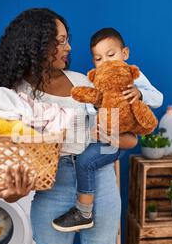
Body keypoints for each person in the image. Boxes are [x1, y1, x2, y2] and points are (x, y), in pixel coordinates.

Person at [0, 8, 151, 244]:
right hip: (53, 188)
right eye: (60, 41)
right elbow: (9, 177)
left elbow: (130, 139)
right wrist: (11, 193)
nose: (69, 47)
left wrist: (100, 134)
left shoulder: (83, 82)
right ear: (36, 44)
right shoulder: (14, 98)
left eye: (66, 39)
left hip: (102, 184)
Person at [52, 27, 163, 232]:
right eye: (98, 58)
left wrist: (139, 94)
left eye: (111, 55)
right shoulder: (97, 80)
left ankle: (83, 212)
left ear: (125, 54)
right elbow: (90, 106)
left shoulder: (134, 76)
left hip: (123, 133)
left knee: (85, 161)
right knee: (83, 155)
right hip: (105, 132)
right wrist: (95, 108)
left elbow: (158, 98)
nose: (105, 62)